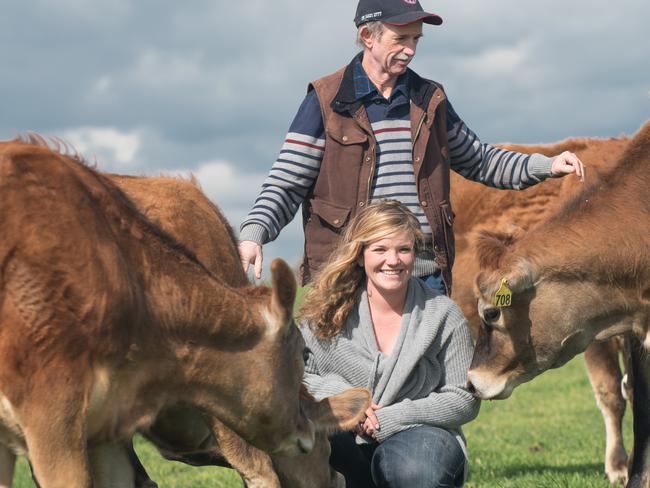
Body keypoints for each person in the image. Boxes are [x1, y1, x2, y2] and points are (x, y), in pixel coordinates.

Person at [238, 0, 585, 294]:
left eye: (416, 39)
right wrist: (255, 234)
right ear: (367, 37)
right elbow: (286, 183)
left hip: (424, 273)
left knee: (432, 373)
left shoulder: (429, 99)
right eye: (400, 38)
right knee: (346, 375)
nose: (410, 49)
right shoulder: (326, 100)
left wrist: (545, 166)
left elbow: (479, 160)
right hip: (347, 273)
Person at [298, 200, 479, 487]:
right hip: (340, 432)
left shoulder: (444, 314)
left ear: (415, 254)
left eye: (403, 250)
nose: (392, 260)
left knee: (415, 473)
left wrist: (396, 416)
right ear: (360, 255)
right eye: (380, 249)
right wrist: (344, 399)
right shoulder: (326, 312)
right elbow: (298, 376)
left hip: (418, 433)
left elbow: (463, 398)